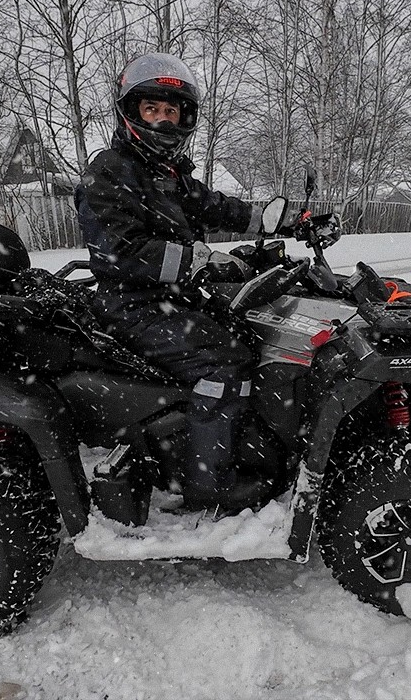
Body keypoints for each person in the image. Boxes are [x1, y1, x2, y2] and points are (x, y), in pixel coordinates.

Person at [76, 52, 317, 512]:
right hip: (132, 305)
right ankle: (210, 480)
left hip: (171, 298)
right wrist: (199, 262)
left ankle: (245, 443)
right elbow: (120, 251)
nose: (163, 120)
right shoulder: (110, 171)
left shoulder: (168, 174)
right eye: (152, 109)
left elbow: (220, 208)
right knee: (224, 360)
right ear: (130, 113)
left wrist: (289, 221)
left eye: (171, 111)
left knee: (252, 332)